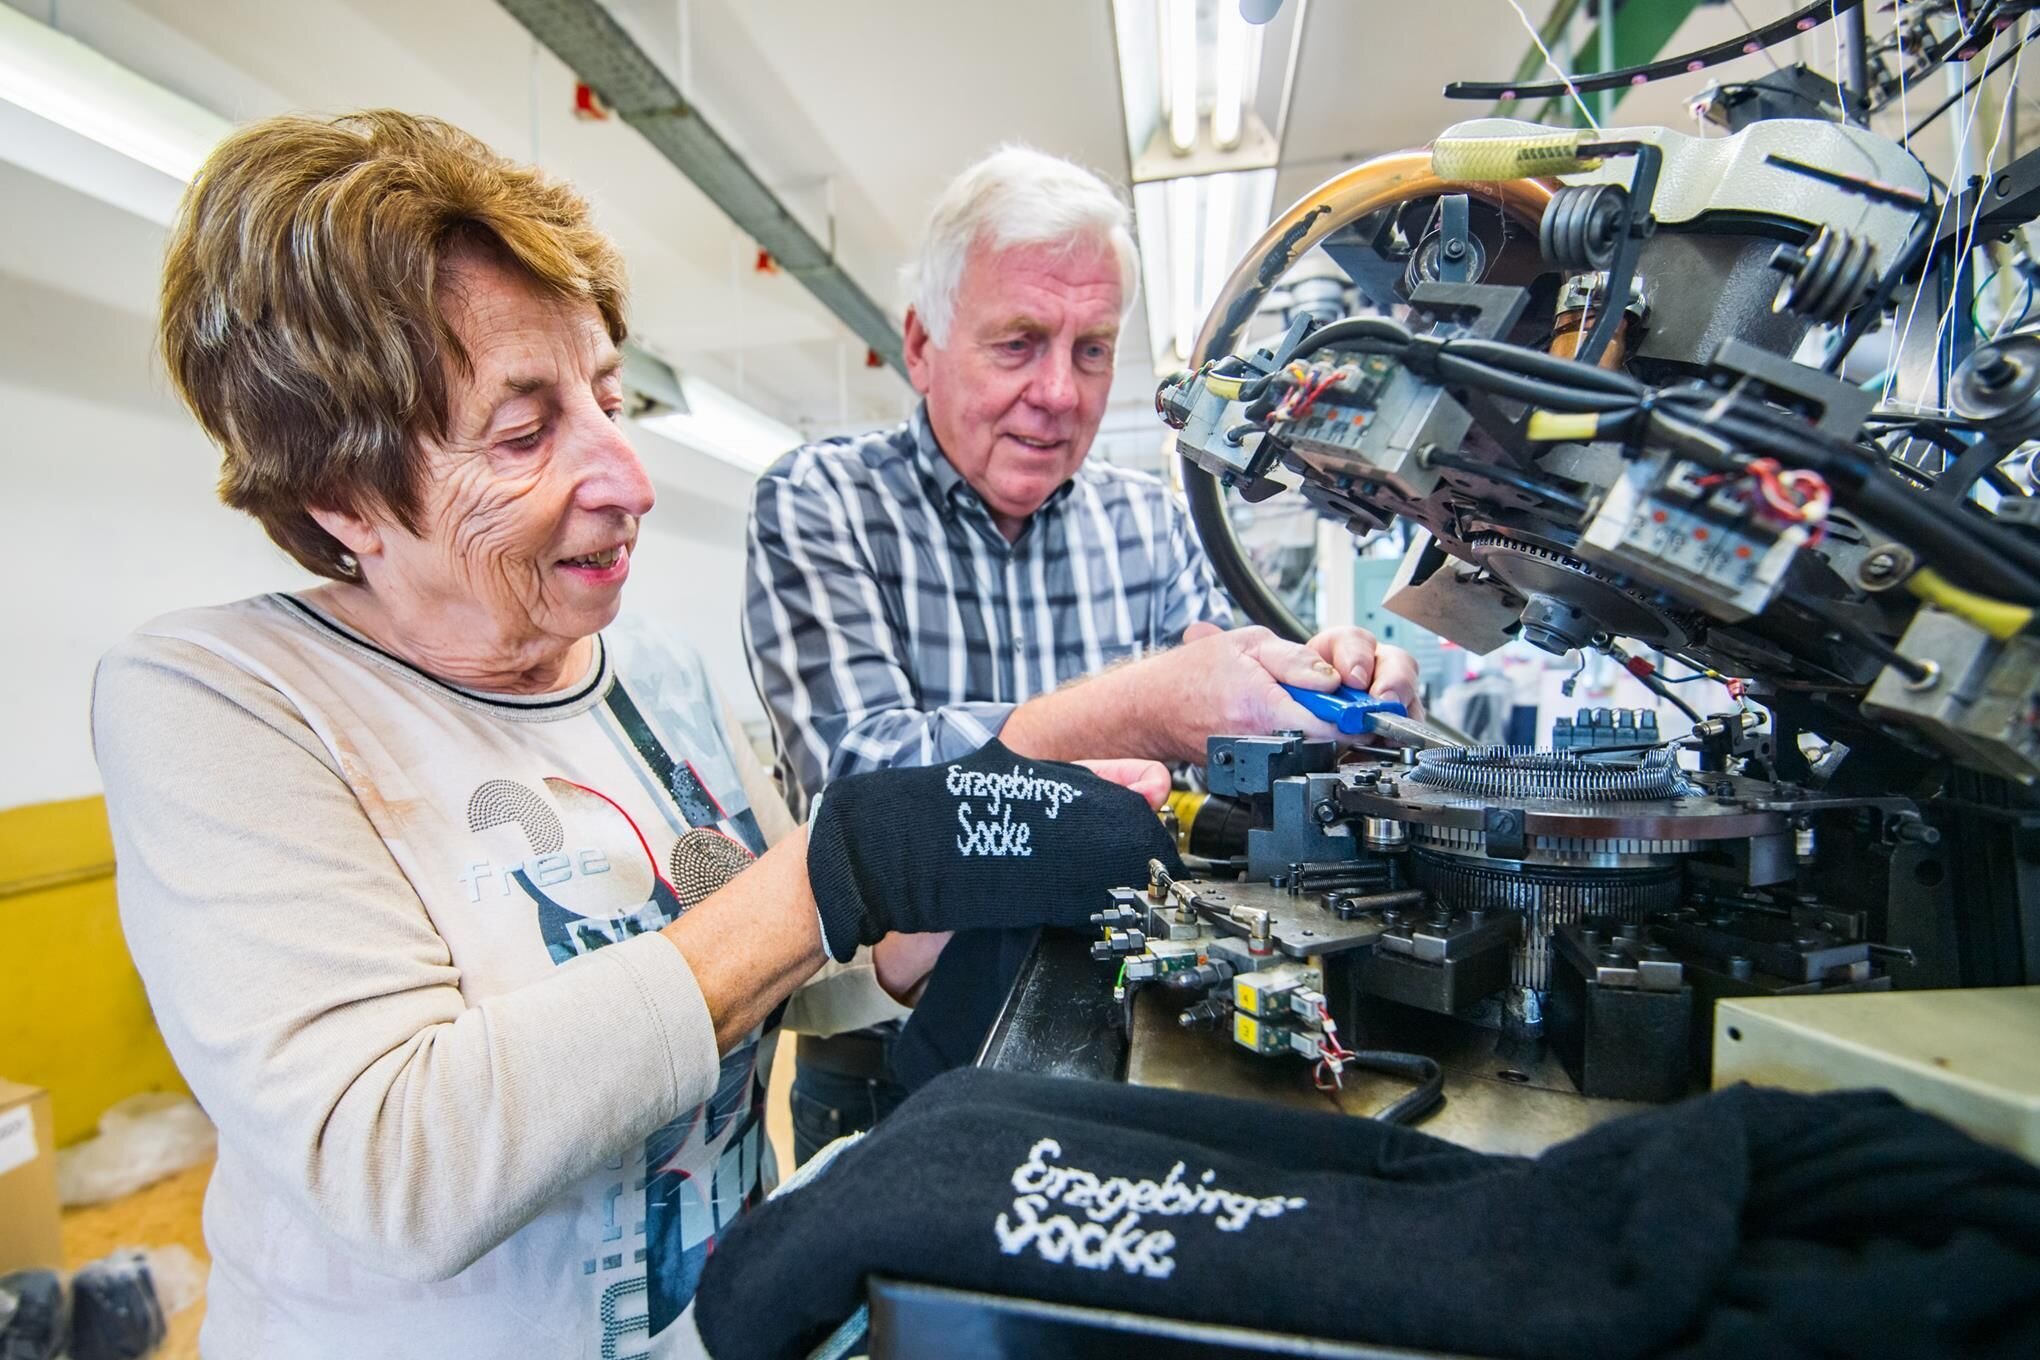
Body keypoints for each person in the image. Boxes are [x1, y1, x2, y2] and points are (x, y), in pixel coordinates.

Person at [94, 110, 1174, 1359]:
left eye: (610, 395)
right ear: (342, 496)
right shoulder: (222, 698)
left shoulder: (649, 671)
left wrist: (951, 895)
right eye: (525, 428)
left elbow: (781, 964)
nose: (628, 475)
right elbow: (392, 1160)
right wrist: (848, 862)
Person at [744, 146, 1422, 1159]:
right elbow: (864, 793)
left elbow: (1222, 723)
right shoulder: (821, 503)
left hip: (1112, 1017)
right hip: (893, 1059)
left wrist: (1314, 684)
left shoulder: (1151, 524)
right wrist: (1139, 708)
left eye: (1093, 349)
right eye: (1018, 342)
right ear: (923, 345)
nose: (1060, 392)